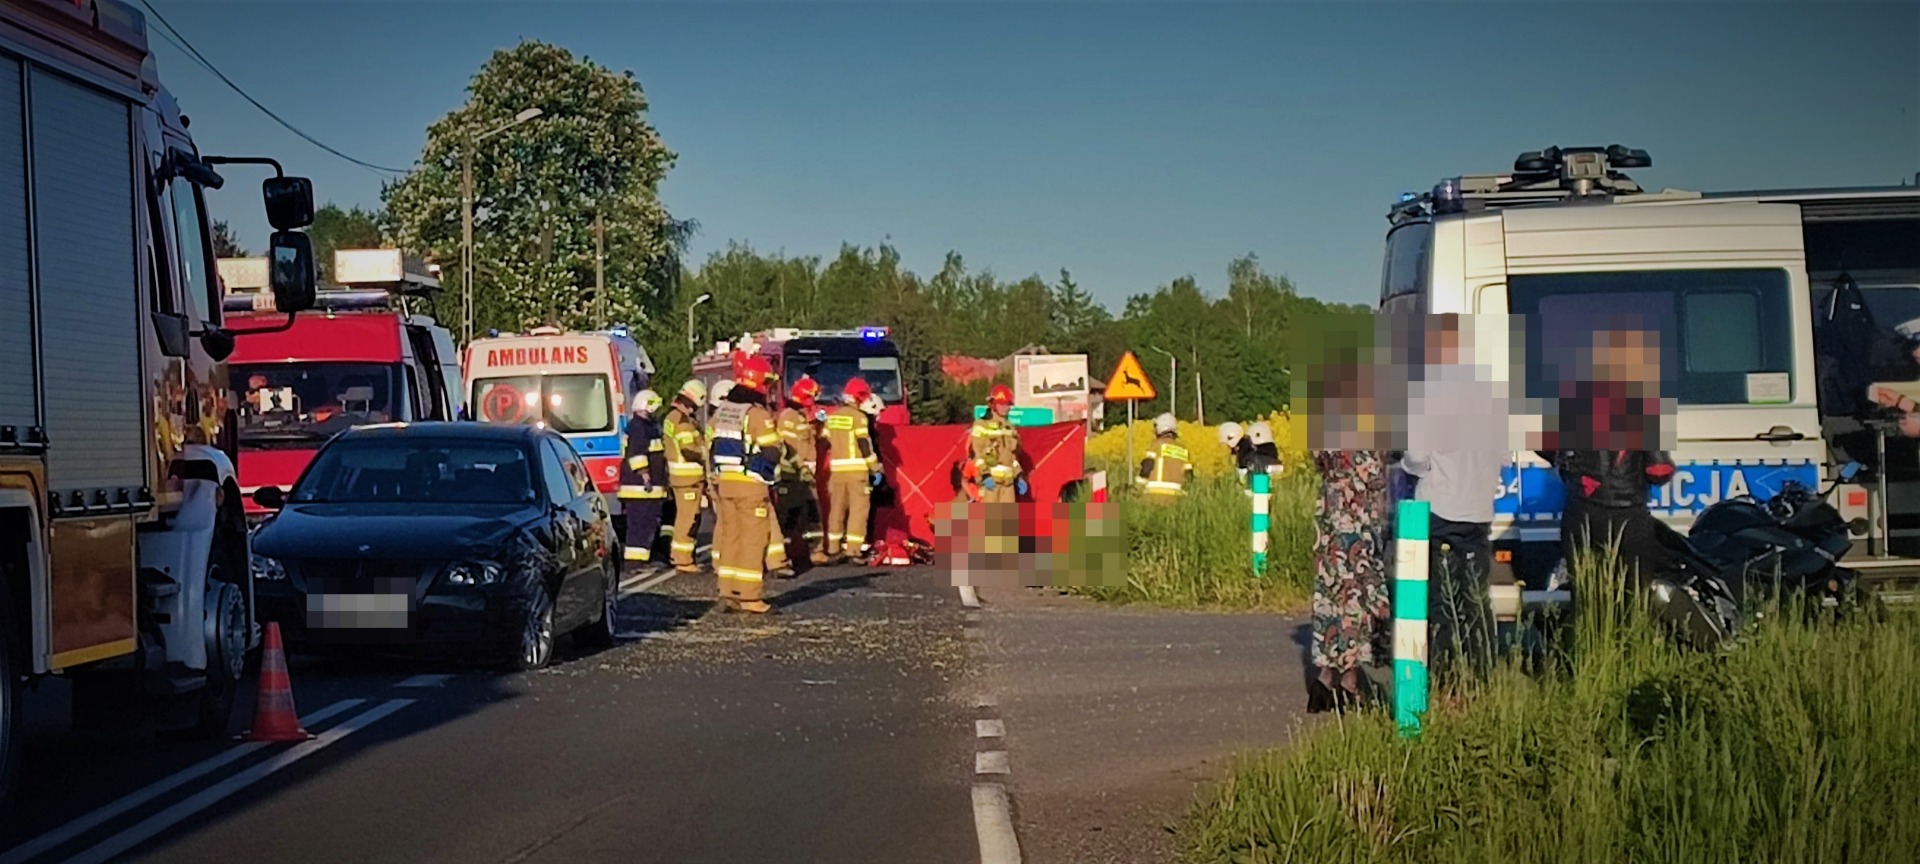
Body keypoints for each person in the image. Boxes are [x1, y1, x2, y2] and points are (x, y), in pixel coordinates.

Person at [1400, 314, 1509, 686]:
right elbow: (1504, 456)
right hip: (1478, 511)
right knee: (1476, 600)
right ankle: (1480, 676)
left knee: (1438, 602)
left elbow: (1416, 457)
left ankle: (1444, 680)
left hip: (1439, 509)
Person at [1538, 327, 1675, 589]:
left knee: (1586, 591)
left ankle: (1591, 630)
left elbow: (1545, 445)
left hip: (1583, 512)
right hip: (1629, 516)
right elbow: (1659, 470)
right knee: (1634, 592)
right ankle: (1625, 631)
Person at [1308, 362, 1391, 712]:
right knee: (1358, 598)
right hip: (1356, 526)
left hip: (1329, 523)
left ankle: (1324, 679)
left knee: (1330, 597)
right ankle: (1351, 680)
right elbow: (1374, 477)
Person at [707, 357, 783, 613]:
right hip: (750, 486)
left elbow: (709, 447)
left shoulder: (722, 411)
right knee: (753, 540)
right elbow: (772, 450)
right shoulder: (757, 414)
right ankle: (751, 597)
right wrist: (766, 472)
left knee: (730, 537)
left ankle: (727, 592)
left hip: (725, 484)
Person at [821, 377, 882, 564]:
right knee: (858, 510)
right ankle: (853, 550)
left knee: (836, 510)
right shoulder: (859, 417)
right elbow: (864, 444)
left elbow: (825, 441)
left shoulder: (833, 416)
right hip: (857, 471)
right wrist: (875, 467)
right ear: (860, 397)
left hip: (837, 471)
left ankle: (833, 548)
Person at [775, 376, 829, 568]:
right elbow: (788, 447)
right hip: (792, 476)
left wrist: (819, 424)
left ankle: (816, 551)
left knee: (811, 514)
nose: (814, 401)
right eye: (812, 397)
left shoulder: (801, 417)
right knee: (788, 517)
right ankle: (782, 556)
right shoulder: (788, 416)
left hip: (805, 476)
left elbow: (812, 441)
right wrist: (800, 469)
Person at [661, 380, 708, 573]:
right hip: (687, 478)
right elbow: (688, 449)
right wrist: (705, 453)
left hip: (684, 478)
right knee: (687, 519)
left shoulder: (674, 417)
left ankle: (685, 557)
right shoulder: (681, 420)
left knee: (688, 517)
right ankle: (682, 559)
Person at [617, 390, 669, 565]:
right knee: (640, 524)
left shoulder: (644, 425)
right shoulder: (639, 427)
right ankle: (635, 562)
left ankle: (641, 559)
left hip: (644, 487)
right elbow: (637, 454)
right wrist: (645, 476)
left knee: (645, 523)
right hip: (640, 487)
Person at [970, 384, 1025, 504]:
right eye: (1003, 404)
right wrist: (985, 475)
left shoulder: (1010, 427)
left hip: (1008, 484)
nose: (1007, 408)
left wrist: (1018, 474)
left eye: (1008, 404)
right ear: (993, 405)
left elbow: (1013, 456)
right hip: (990, 483)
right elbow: (977, 454)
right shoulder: (981, 425)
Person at [1137, 412, 1189, 499]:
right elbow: (1189, 477)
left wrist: (1137, 487)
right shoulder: (1183, 450)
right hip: (1177, 497)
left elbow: (1147, 468)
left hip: (1154, 495)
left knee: (1114, 508)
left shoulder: (1155, 446)